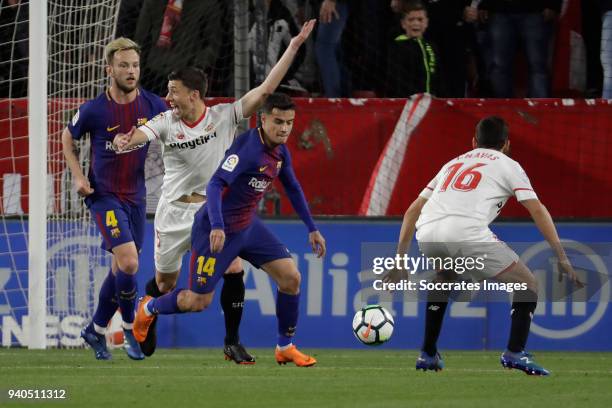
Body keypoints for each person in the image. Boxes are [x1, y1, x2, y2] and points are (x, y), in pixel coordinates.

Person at [113, 20, 316, 363]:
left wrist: (293, 47)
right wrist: (124, 140)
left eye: (173, 90)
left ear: (193, 94)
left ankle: (232, 342)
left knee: (234, 268)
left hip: (214, 213)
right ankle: (149, 310)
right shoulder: (165, 121)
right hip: (174, 213)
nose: (168, 97)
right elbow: (138, 136)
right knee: (166, 285)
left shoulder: (225, 117)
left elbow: (266, 91)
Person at [131, 93, 326, 367]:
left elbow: (292, 187)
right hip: (215, 228)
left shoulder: (280, 152)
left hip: (248, 227)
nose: (284, 129)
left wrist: (312, 228)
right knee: (198, 302)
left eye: (289, 123)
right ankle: (149, 307)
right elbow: (215, 184)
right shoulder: (247, 149)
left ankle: (285, 346)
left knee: (291, 278)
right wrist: (218, 226)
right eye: (278, 121)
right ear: (263, 118)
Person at [387, 116, 583, 375]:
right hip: (465, 232)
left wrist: (400, 260)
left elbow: (412, 210)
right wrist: (561, 256)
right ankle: (515, 352)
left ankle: (428, 353)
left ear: (473, 142)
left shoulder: (453, 163)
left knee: (445, 276)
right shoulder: (508, 164)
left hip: (428, 231)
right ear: (506, 144)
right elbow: (537, 209)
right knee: (527, 284)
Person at [61, 37, 167, 361]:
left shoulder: (152, 105)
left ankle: (94, 329)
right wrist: (78, 177)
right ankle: (131, 330)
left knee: (120, 268)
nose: (131, 71)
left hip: (136, 198)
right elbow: (68, 136)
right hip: (103, 196)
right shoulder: (95, 109)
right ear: (110, 69)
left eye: (135, 65)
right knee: (131, 262)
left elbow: (176, 130)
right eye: (124, 65)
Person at [385, 1, 439, 97]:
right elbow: (395, 78)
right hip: (406, 102)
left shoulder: (430, 46)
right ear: (403, 24)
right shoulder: (397, 46)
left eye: (420, 19)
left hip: (431, 101)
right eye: (411, 19)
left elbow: (438, 75)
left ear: (426, 22)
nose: (415, 23)